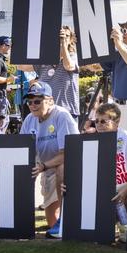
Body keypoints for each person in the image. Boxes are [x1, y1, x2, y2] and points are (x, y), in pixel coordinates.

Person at [20, 82, 79, 238]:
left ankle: (66, 218)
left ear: (50, 100)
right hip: (45, 168)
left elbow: (68, 153)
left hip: (66, 167)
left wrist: (43, 166)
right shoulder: (29, 120)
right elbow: (23, 150)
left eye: (37, 101)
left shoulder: (62, 115)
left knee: (62, 167)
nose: (32, 105)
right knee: (51, 222)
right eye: (29, 101)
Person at [22, 26, 81, 123]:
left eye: (66, 36)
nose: (63, 38)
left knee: (67, 138)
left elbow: (69, 66)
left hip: (67, 110)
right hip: (46, 111)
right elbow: (22, 66)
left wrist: (63, 45)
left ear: (71, 39)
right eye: (60, 36)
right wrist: (15, 48)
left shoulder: (73, 56)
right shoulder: (44, 59)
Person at [94, 102, 127, 240]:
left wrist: (125, 191)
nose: (99, 125)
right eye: (96, 121)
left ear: (116, 122)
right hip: (105, 193)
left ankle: (126, 226)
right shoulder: (93, 140)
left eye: (103, 121)